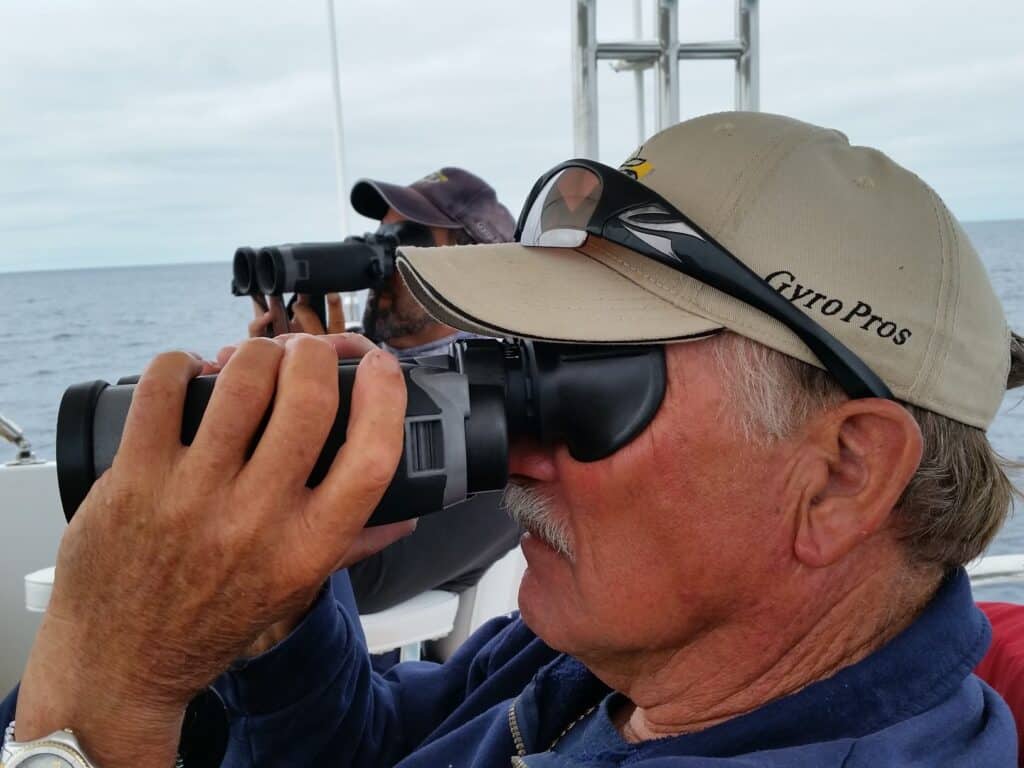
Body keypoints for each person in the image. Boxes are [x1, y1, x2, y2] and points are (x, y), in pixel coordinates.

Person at [2, 112, 1020, 767]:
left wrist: (98, 702)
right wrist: (274, 607)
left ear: (841, 475)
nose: (521, 455)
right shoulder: (635, 649)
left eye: (587, 382)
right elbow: (371, 749)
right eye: (524, 359)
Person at [249, 167, 523, 614]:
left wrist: (323, 410)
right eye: (380, 238)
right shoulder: (354, 355)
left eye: (406, 240)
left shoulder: (507, 406)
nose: (382, 259)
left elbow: (357, 580)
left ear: (474, 267)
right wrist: (275, 392)